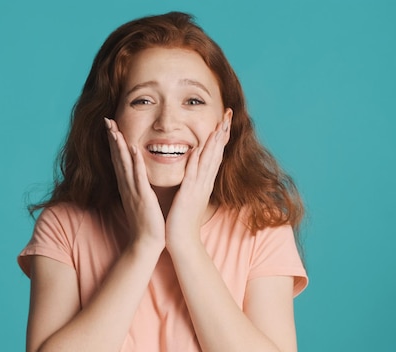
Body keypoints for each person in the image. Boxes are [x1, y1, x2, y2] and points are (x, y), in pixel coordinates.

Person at [18, 11, 308, 352]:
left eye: (193, 101)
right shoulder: (64, 226)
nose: (167, 123)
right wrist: (144, 244)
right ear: (108, 119)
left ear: (225, 123)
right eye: (142, 100)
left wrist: (185, 241)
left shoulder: (262, 228)